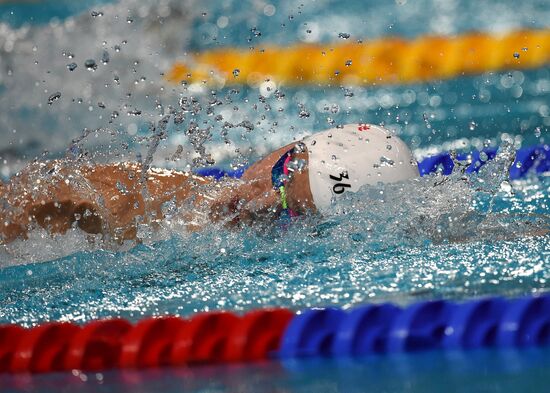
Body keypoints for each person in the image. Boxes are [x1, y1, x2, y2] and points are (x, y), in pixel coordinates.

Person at [0, 124, 418, 245]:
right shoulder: (124, 196)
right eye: (281, 178)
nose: (258, 204)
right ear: (289, 148)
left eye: (289, 212)